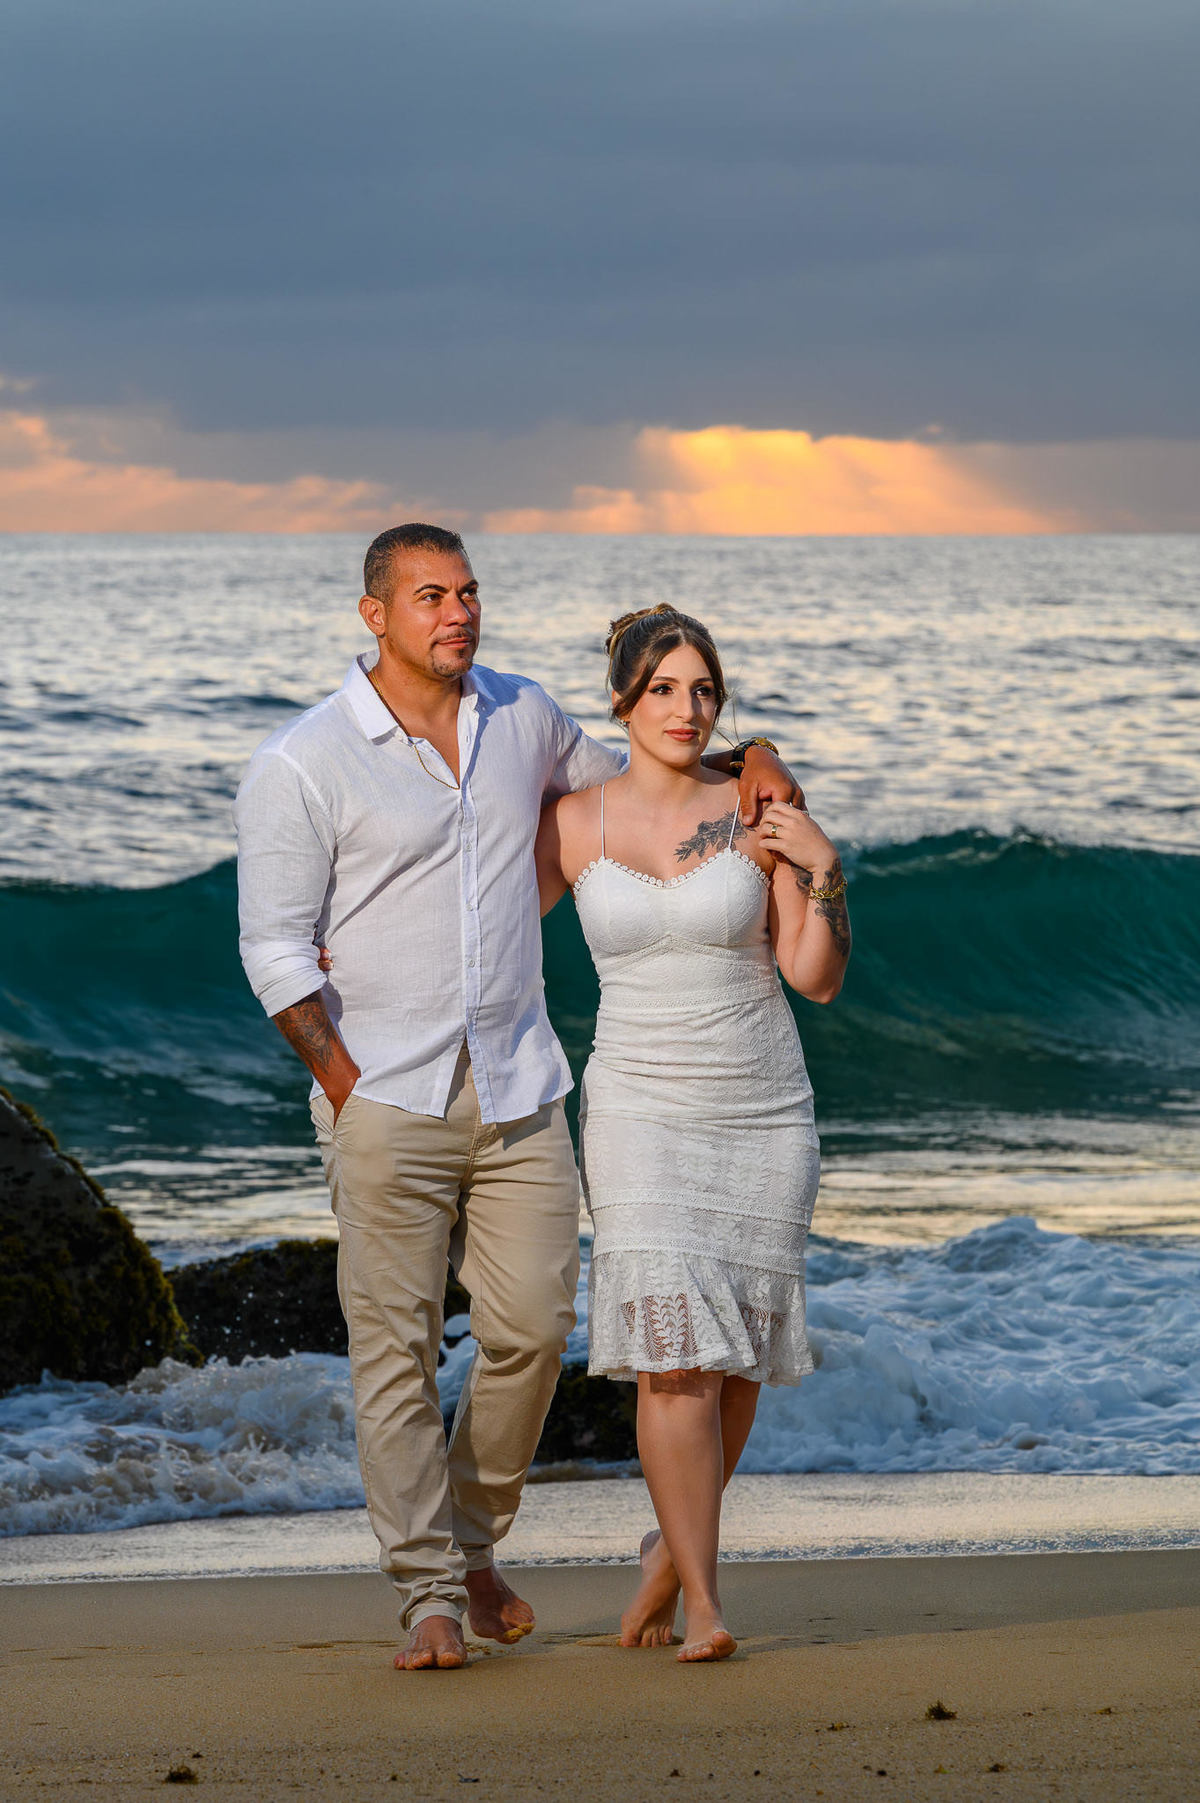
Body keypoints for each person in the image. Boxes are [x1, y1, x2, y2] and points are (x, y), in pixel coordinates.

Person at [234, 526, 796, 1671]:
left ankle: (474, 1539)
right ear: (374, 615)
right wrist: (346, 1085)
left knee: (531, 1334)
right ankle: (431, 1594)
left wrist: (761, 756)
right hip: (383, 1093)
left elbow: (650, 771)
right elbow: (276, 955)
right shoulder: (303, 763)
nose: (458, 612)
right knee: (391, 1351)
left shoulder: (523, 719)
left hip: (524, 1089)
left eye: (470, 593)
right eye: (431, 595)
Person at [535, 603, 851, 1663]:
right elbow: (478, 936)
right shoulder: (572, 821)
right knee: (676, 1361)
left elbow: (815, 976)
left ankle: (667, 1559)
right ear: (622, 699)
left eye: (703, 689)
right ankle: (706, 1606)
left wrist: (821, 869)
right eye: (664, 688)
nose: (687, 707)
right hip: (635, 1107)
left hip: (762, 1106)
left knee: (738, 1361)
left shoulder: (758, 811)